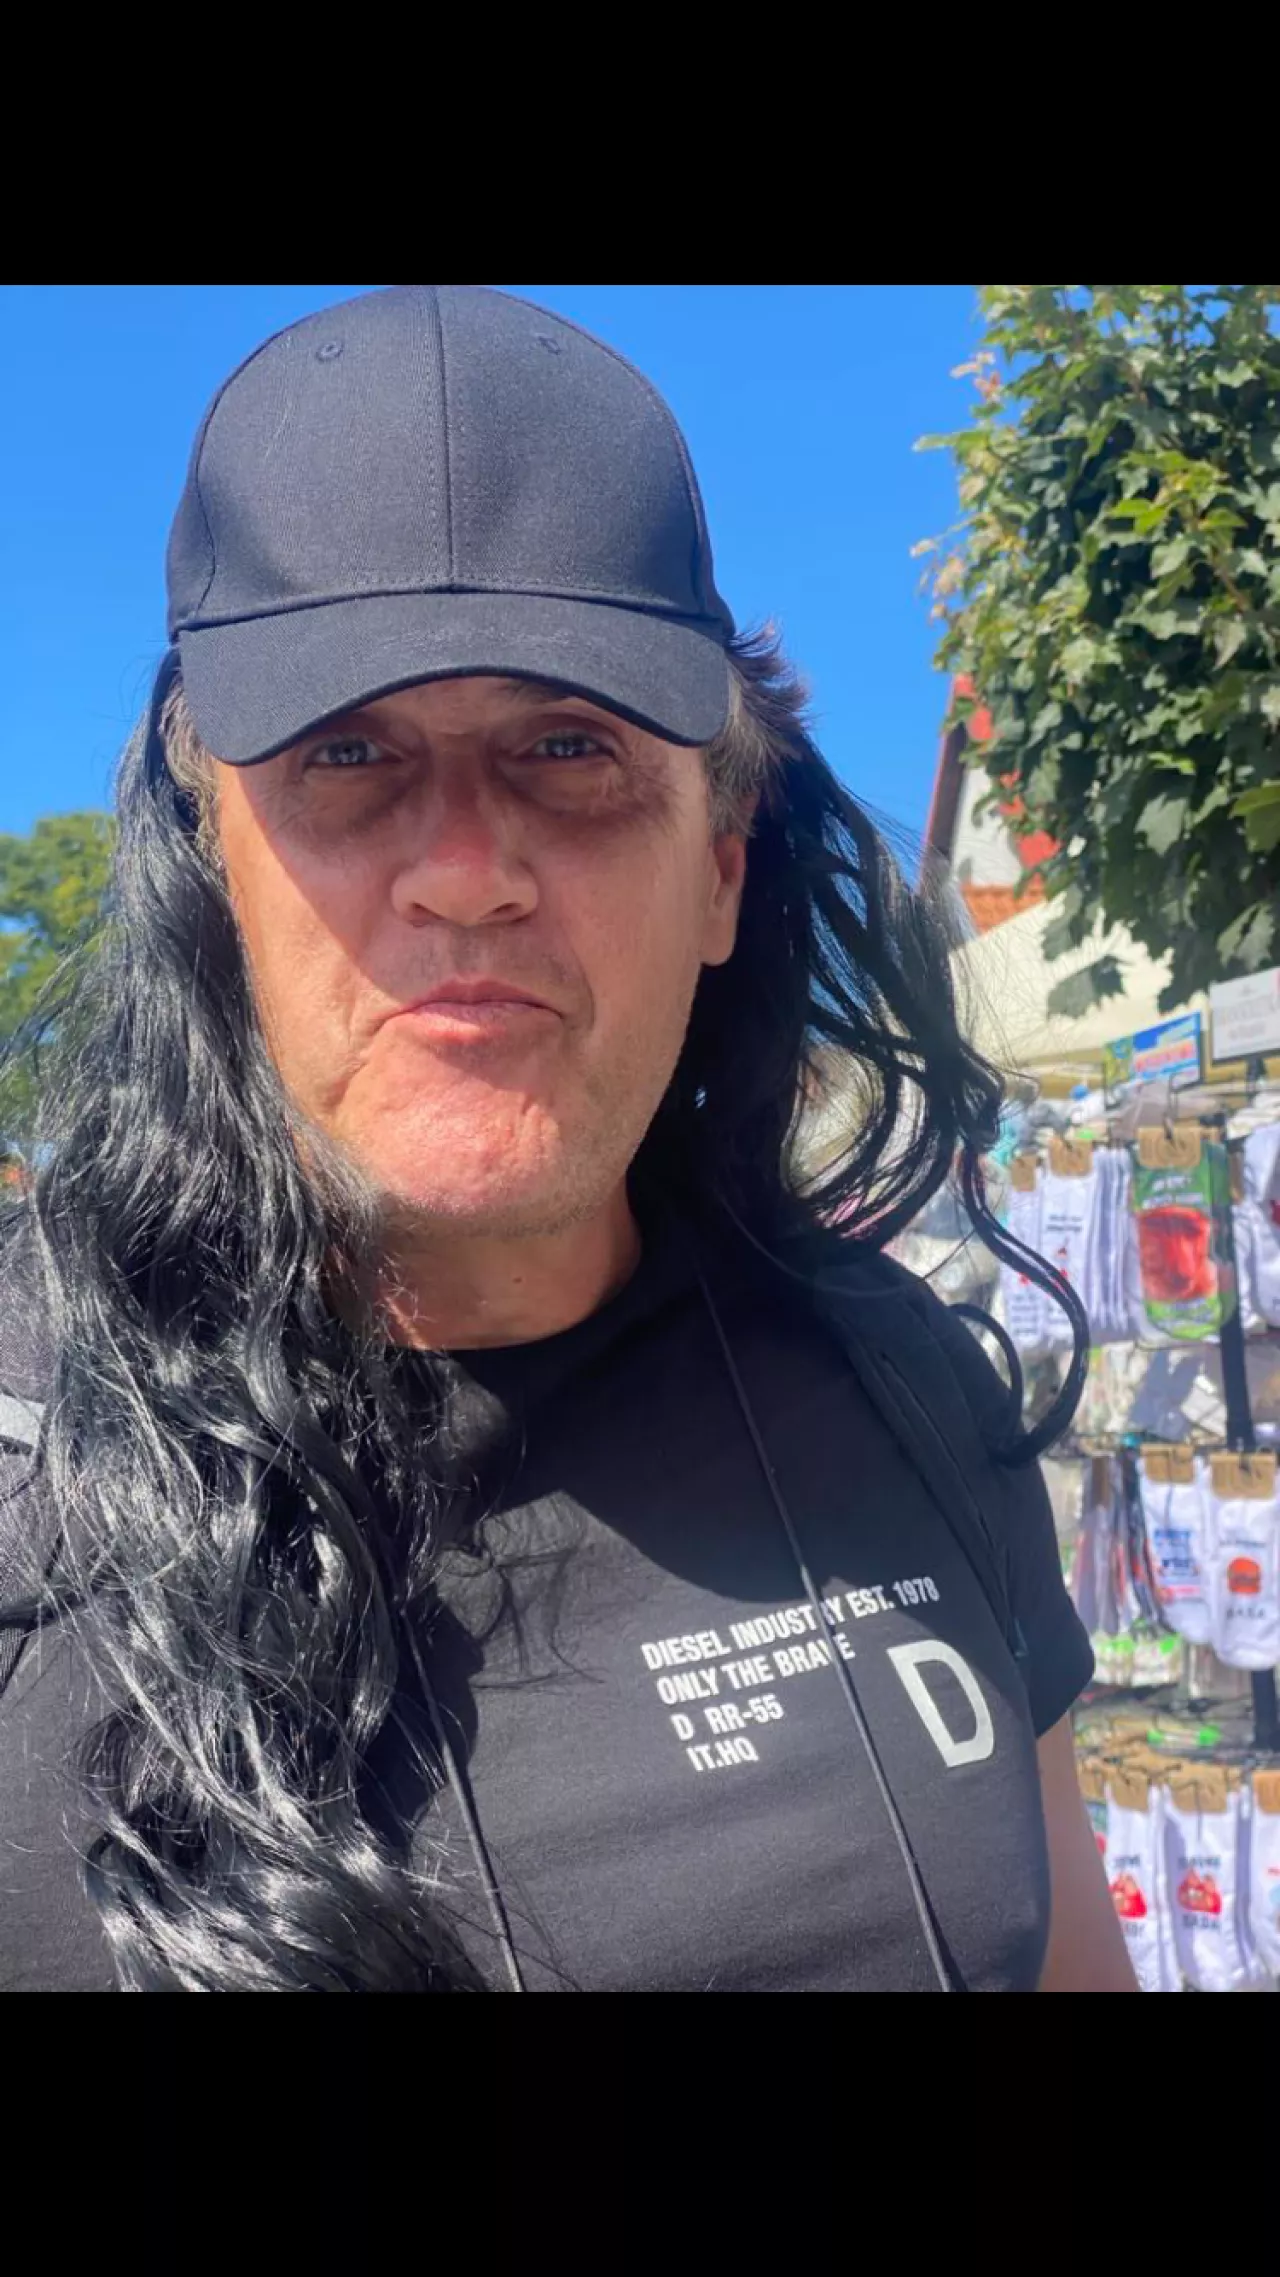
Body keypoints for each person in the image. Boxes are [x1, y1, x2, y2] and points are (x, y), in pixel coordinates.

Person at [0, 284, 1134, 1993]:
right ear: (216, 867)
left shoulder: (908, 1386)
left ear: (722, 865)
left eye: (567, 747)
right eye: (346, 750)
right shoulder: (34, 1482)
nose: (468, 870)